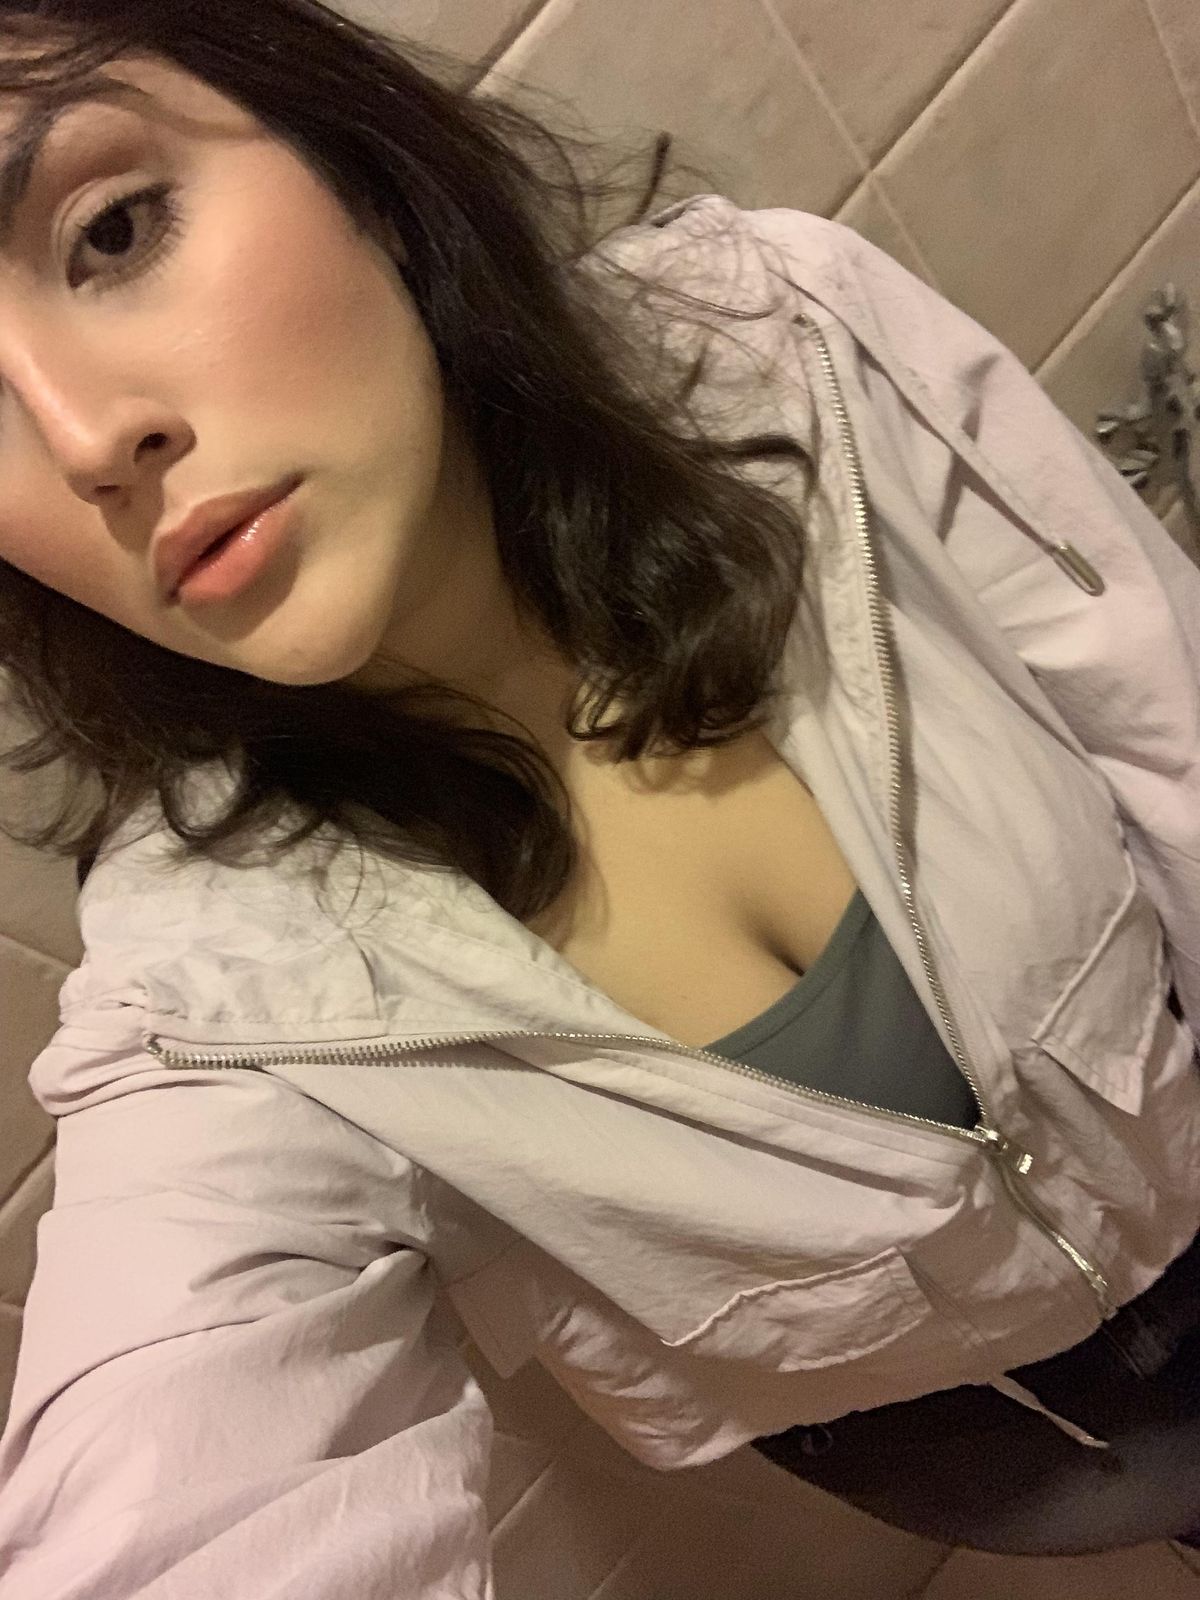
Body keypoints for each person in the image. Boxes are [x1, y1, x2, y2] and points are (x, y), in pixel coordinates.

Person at [0, 1, 1199, 1594]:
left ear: (343, 152)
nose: (89, 438)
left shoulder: (787, 344)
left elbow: (1165, 728)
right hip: (1036, 1462)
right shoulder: (214, 1005)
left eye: (114, 229)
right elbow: (178, 1489)